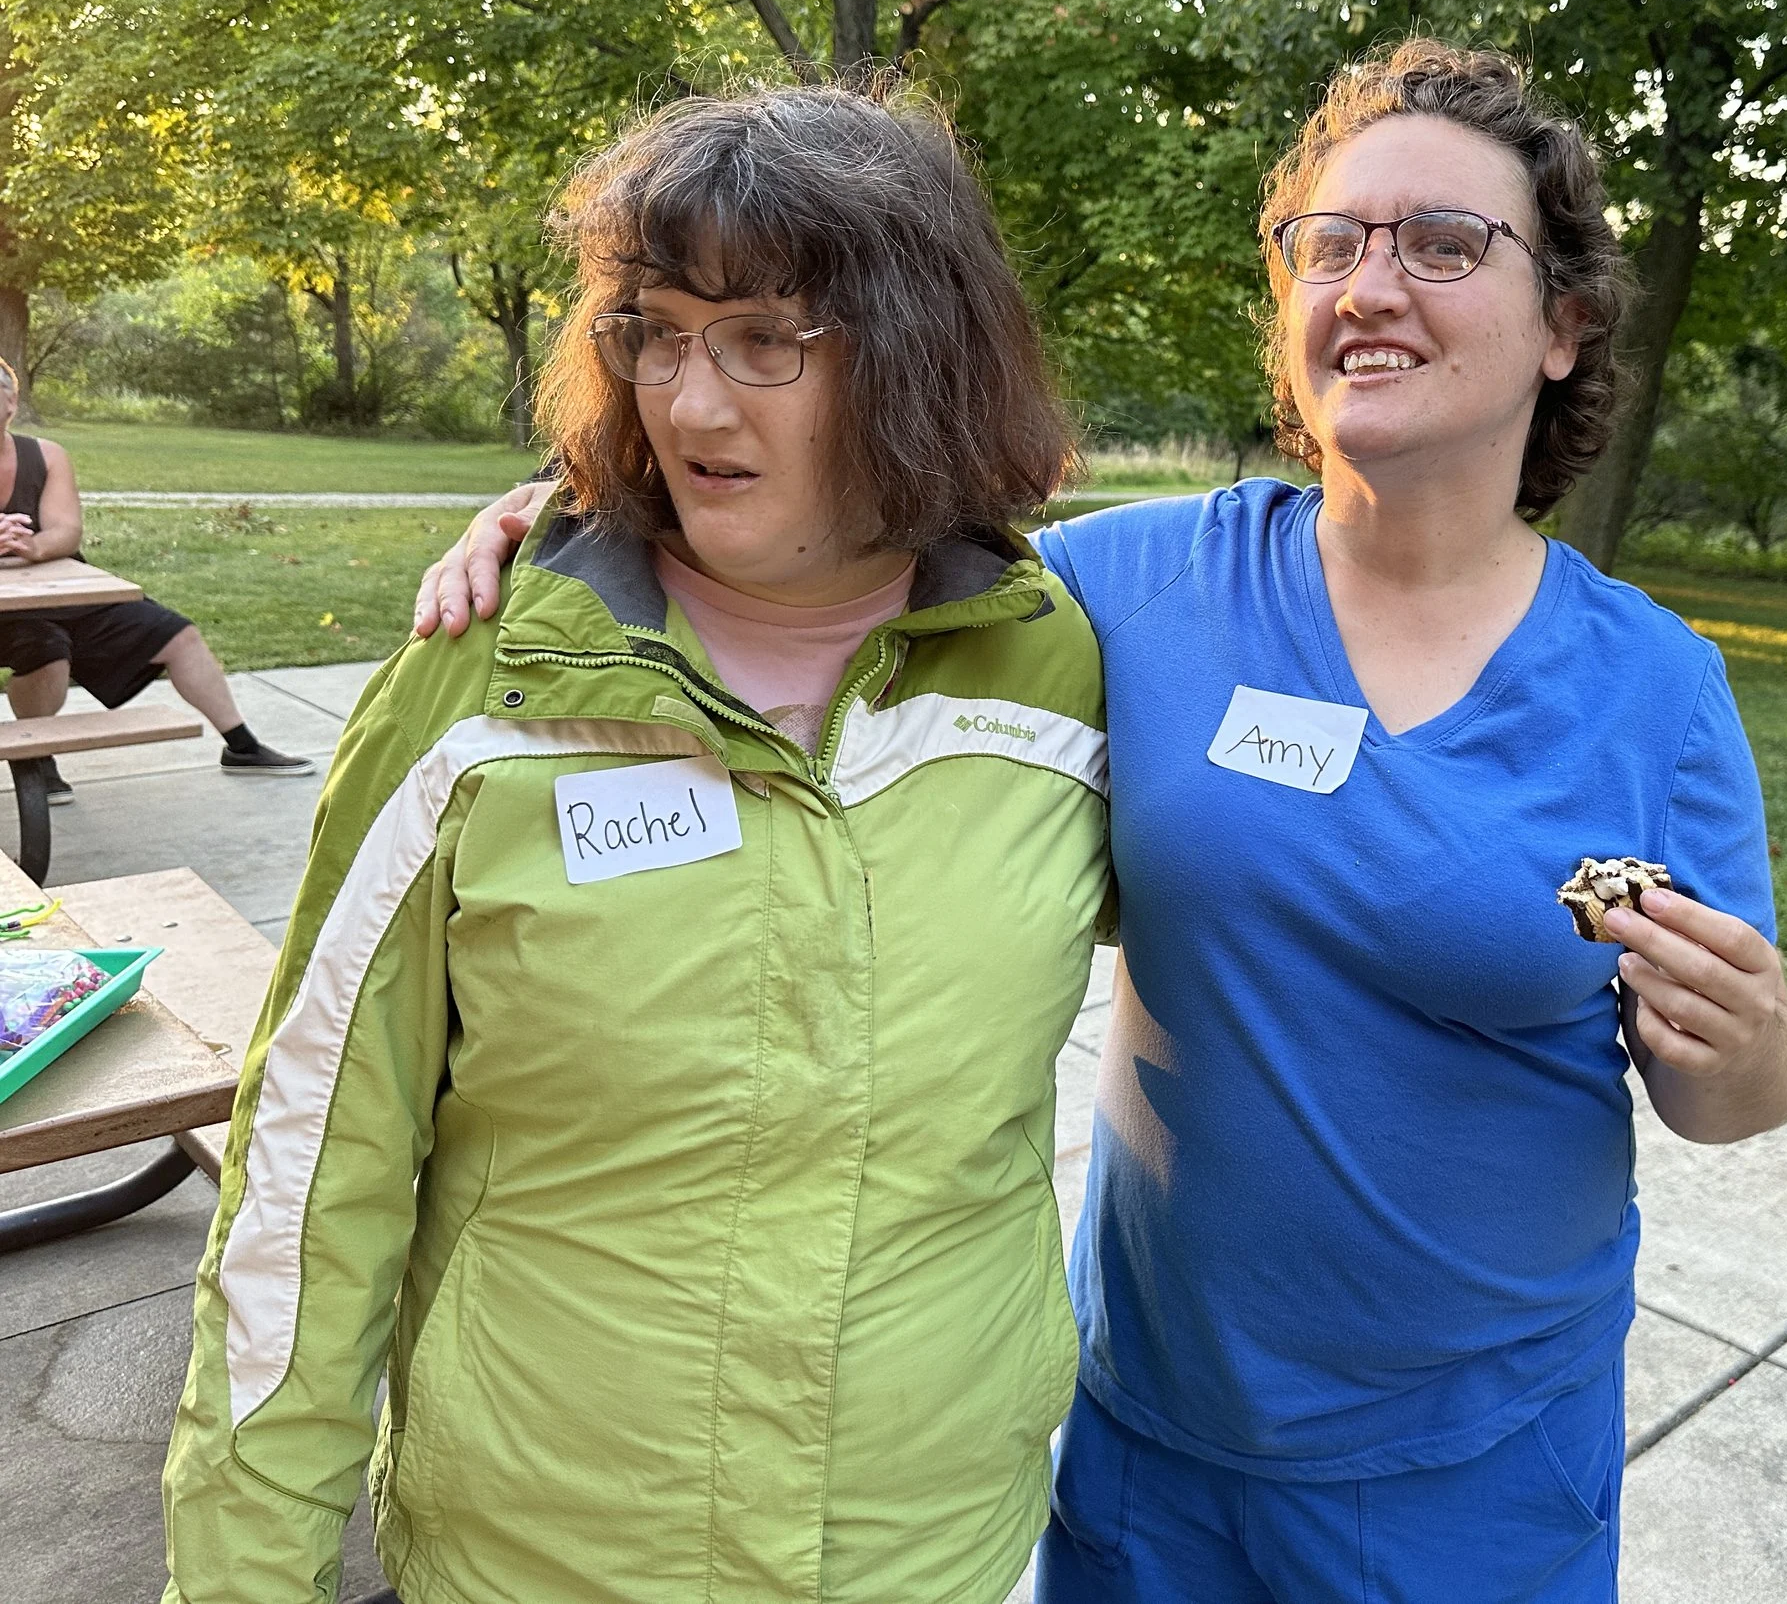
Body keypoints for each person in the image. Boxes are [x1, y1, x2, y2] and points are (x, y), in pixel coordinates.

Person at [414, 42, 1787, 1603]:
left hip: (1474, 1460)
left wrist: (1747, 1046)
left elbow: (1729, 1094)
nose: (1371, 281)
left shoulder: (1658, 688)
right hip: (1154, 1438)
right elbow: (810, 518)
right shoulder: (1120, 590)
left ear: (1563, 324)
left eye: (1441, 242)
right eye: (1330, 242)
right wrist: (581, 506)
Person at [163, 81, 1113, 1604]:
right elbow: (309, 1174)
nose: (691, 402)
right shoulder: (486, 672)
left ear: (919, 351)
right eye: (656, 331)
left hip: (932, 1546)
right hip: (543, 1555)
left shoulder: (1059, 659)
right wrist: (244, 1571)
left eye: (764, 341)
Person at [0, 362, 310, 794]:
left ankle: (242, 746)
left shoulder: (47, 455)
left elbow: (66, 531)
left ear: (11, 403)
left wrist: (32, 547)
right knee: (46, 650)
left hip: (65, 590)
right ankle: (36, 760)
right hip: (7, 612)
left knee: (177, 634)